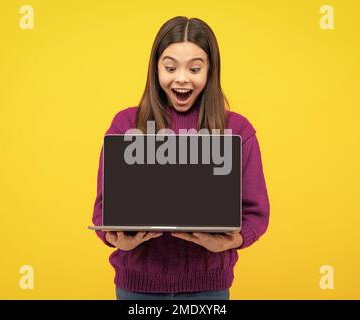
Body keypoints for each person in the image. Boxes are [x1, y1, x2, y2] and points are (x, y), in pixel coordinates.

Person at [92, 16, 270, 300]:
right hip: (135, 289)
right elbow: (103, 209)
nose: (182, 78)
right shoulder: (125, 125)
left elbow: (256, 213)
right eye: (171, 67)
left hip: (209, 289)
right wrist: (115, 238)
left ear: (210, 71)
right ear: (156, 69)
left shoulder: (237, 130)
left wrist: (230, 241)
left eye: (195, 68)